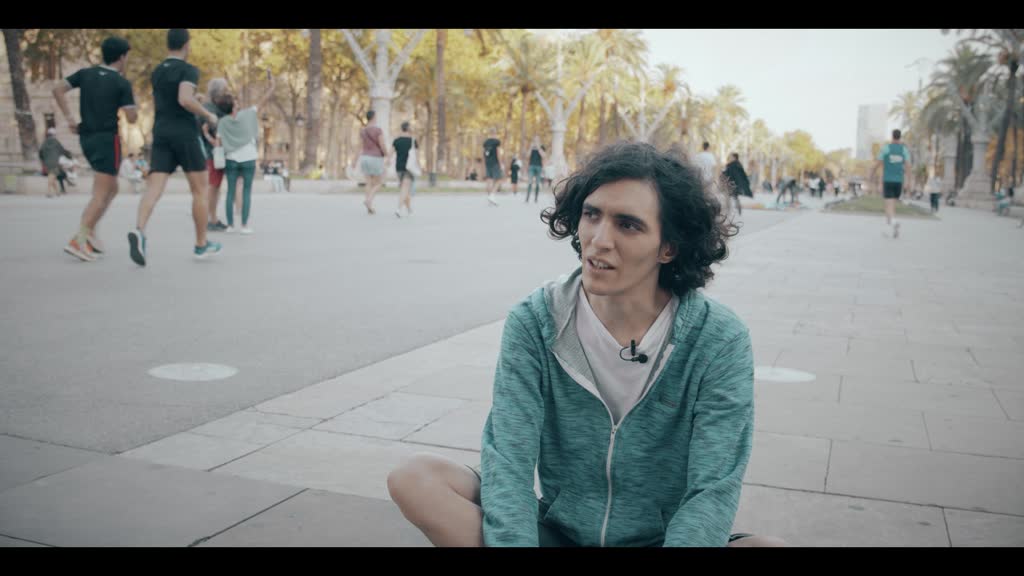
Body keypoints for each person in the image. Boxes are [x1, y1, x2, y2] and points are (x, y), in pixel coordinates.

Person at [387, 142, 784, 548]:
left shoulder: (717, 339)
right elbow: (508, 460)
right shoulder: (536, 321)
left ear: (668, 247)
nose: (599, 239)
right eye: (592, 215)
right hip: (558, 533)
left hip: (660, 540)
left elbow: (712, 488)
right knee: (416, 478)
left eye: (627, 225)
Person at [129, 29, 221, 267]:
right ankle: (201, 243)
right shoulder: (188, 70)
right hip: (185, 135)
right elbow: (183, 99)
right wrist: (208, 114)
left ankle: (139, 230)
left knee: (154, 188)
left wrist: (194, 100)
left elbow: (172, 100)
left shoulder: (158, 71)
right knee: (200, 190)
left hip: (161, 133)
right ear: (186, 45)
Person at [52, 35, 137, 261]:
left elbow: (58, 89)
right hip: (108, 140)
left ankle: (89, 233)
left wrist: (70, 118)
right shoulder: (121, 83)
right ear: (122, 57)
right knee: (101, 194)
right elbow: (132, 118)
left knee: (112, 188)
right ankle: (79, 239)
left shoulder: (85, 74)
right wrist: (131, 104)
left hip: (87, 138)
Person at [213, 75, 275, 234]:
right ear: (234, 106)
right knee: (246, 191)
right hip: (248, 158)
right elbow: (264, 99)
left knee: (230, 192)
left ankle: (230, 226)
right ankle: (245, 225)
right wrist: (272, 85)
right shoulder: (247, 114)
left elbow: (218, 142)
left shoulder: (222, 122)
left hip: (231, 159)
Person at [199, 77, 230, 232]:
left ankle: (212, 217)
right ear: (217, 93)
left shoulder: (213, 107)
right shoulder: (210, 109)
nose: (227, 93)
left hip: (215, 153)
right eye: (225, 90)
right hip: (213, 153)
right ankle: (210, 219)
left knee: (215, 187)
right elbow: (213, 131)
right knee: (213, 187)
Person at [872, 129, 912, 239]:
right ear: (900, 137)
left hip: (888, 180)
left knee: (888, 205)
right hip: (899, 182)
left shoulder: (886, 148)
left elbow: (877, 163)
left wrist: (871, 174)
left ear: (892, 136)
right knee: (892, 205)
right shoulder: (904, 150)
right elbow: (908, 166)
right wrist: (909, 181)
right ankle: (891, 229)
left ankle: (894, 222)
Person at [359, 109, 387, 214]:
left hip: (364, 157)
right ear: (374, 117)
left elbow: (360, 146)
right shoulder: (378, 130)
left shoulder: (363, 131)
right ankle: (369, 200)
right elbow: (382, 144)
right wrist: (387, 154)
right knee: (379, 182)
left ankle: (369, 206)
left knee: (368, 183)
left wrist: (354, 160)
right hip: (376, 157)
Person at [392, 120, 419, 218]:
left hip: (399, 167)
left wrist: (386, 163)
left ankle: (409, 209)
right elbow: (416, 156)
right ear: (408, 128)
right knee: (405, 189)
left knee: (404, 189)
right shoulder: (413, 141)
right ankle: (398, 209)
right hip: (409, 168)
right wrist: (418, 166)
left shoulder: (396, 141)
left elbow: (391, 154)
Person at [38, 128, 73, 198]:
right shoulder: (56, 142)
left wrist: (43, 159)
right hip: (54, 161)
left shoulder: (45, 142)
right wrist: (69, 156)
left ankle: (57, 192)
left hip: (46, 162)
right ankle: (48, 191)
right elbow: (62, 150)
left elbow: (40, 151)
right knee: (52, 175)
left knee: (52, 175)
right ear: (54, 134)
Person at [721, 152, 750, 216]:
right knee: (735, 197)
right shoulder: (739, 165)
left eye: (731, 157)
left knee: (728, 197)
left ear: (734, 157)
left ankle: (728, 210)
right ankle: (738, 209)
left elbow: (727, 173)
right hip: (736, 184)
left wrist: (722, 173)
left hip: (731, 183)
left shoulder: (731, 165)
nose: (730, 158)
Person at [483, 128, 503, 206]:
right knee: (499, 180)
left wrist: (485, 162)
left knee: (489, 180)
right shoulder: (496, 142)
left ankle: (490, 199)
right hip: (495, 163)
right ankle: (492, 195)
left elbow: (484, 153)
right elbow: (498, 153)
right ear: (495, 133)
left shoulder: (486, 142)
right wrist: (501, 164)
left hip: (488, 163)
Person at [526, 137, 545, 203]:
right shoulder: (531, 147)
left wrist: (538, 147)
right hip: (531, 166)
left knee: (537, 183)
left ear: (539, 141)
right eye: (534, 140)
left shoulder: (541, 147)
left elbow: (543, 156)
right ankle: (527, 198)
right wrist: (531, 148)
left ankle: (536, 198)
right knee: (530, 182)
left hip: (539, 166)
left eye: (537, 140)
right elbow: (527, 156)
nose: (535, 141)